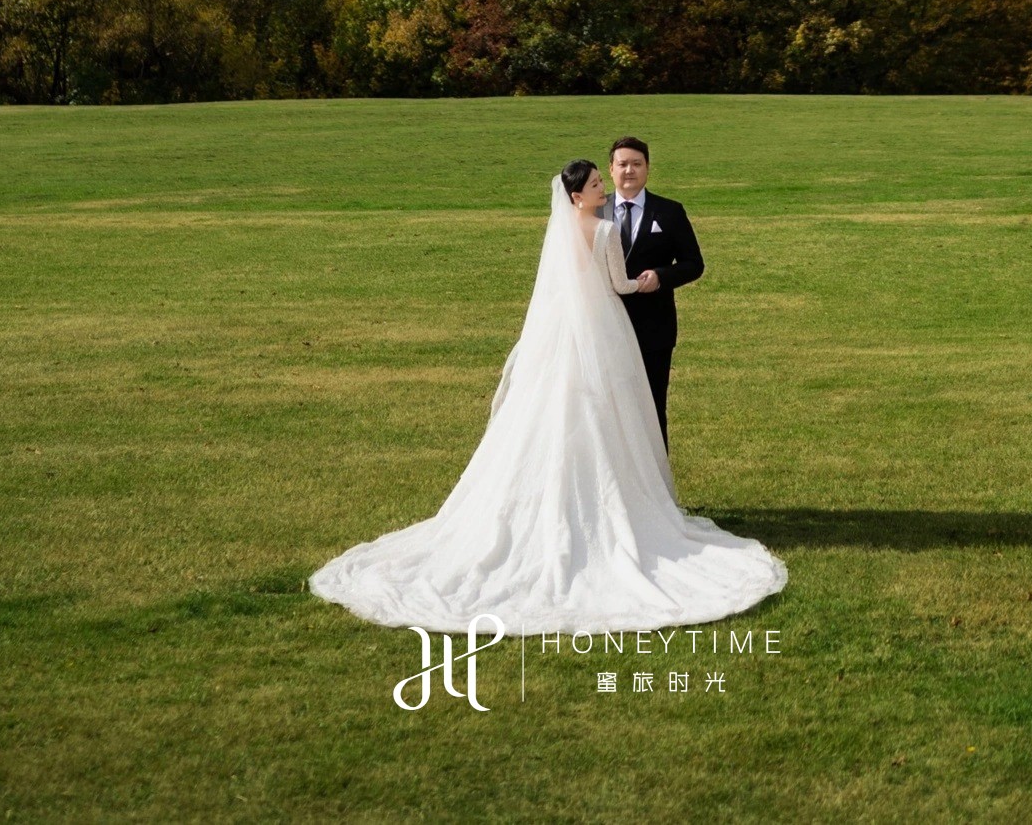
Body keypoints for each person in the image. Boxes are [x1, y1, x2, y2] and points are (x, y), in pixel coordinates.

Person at [309, 158, 785, 632]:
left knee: (556, 413)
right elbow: (618, 284)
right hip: (604, 332)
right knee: (609, 415)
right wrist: (645, 281)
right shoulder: (604, 232)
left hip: (562, 337)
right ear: (578, 194)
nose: (605, 186)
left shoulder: (562, 231)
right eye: (598, 181)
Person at [600, 135, 702, 444]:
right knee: (606, 410)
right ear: (611, 169)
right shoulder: (594, 211)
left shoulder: (669, 211)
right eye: (622, 164)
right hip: (604, 327)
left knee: (651, 407)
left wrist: (661, 276)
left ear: (647, 168)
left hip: (653, 328)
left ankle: (656, 486)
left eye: (636, 164)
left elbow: (693, 263)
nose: (629, 170)